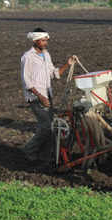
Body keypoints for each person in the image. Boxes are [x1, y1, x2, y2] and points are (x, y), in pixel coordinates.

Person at [20, 27, 75, 162]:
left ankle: (46, 154)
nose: (46, 42)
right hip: (36, 97)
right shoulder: (27, 57)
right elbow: (26, 81)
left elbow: (54, 74)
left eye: (46, 40)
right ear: (36, 40)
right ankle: (29, 150)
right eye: (43, 40)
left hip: (47, 94)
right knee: (46, 126)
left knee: (50, 127)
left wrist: (67, 64)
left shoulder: (46, 55)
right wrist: (41, 96)